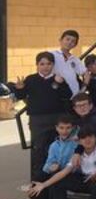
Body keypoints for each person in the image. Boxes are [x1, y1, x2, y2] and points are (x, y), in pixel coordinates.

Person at [9, 51, 72, 179]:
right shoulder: (31, 79)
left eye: (49, 64)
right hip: (37, 120)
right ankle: (37, 180)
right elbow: (21, 96)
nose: (45, 67)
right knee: (38, 150)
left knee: (56, 149)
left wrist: (59, 83)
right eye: (42, 64)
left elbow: (67, 95)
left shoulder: (58, 78)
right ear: (37, 65)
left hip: (56, 119)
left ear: (53, 65)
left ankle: (55, 180)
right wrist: (20, 89)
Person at [26, 113, 78, 199]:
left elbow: (72, 166)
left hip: (71, 172)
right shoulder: (54, 145)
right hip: (57, 170)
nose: (64, 131)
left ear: (72, 128)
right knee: (37, 179)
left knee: (56, 182)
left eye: (68, 128)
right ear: (56, 128)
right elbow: (48, 164)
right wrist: (51, 167)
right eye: (61, 128)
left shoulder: (75, 143)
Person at [52, 29, 86, 95]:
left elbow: (86, 73)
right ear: (60, 40)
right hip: (56, 91)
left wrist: (83, 88)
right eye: (67, 39)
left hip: (74, 93)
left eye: (73, 41)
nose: (69, 42)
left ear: (75, 45)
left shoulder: (75, 59)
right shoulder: (52, 55)